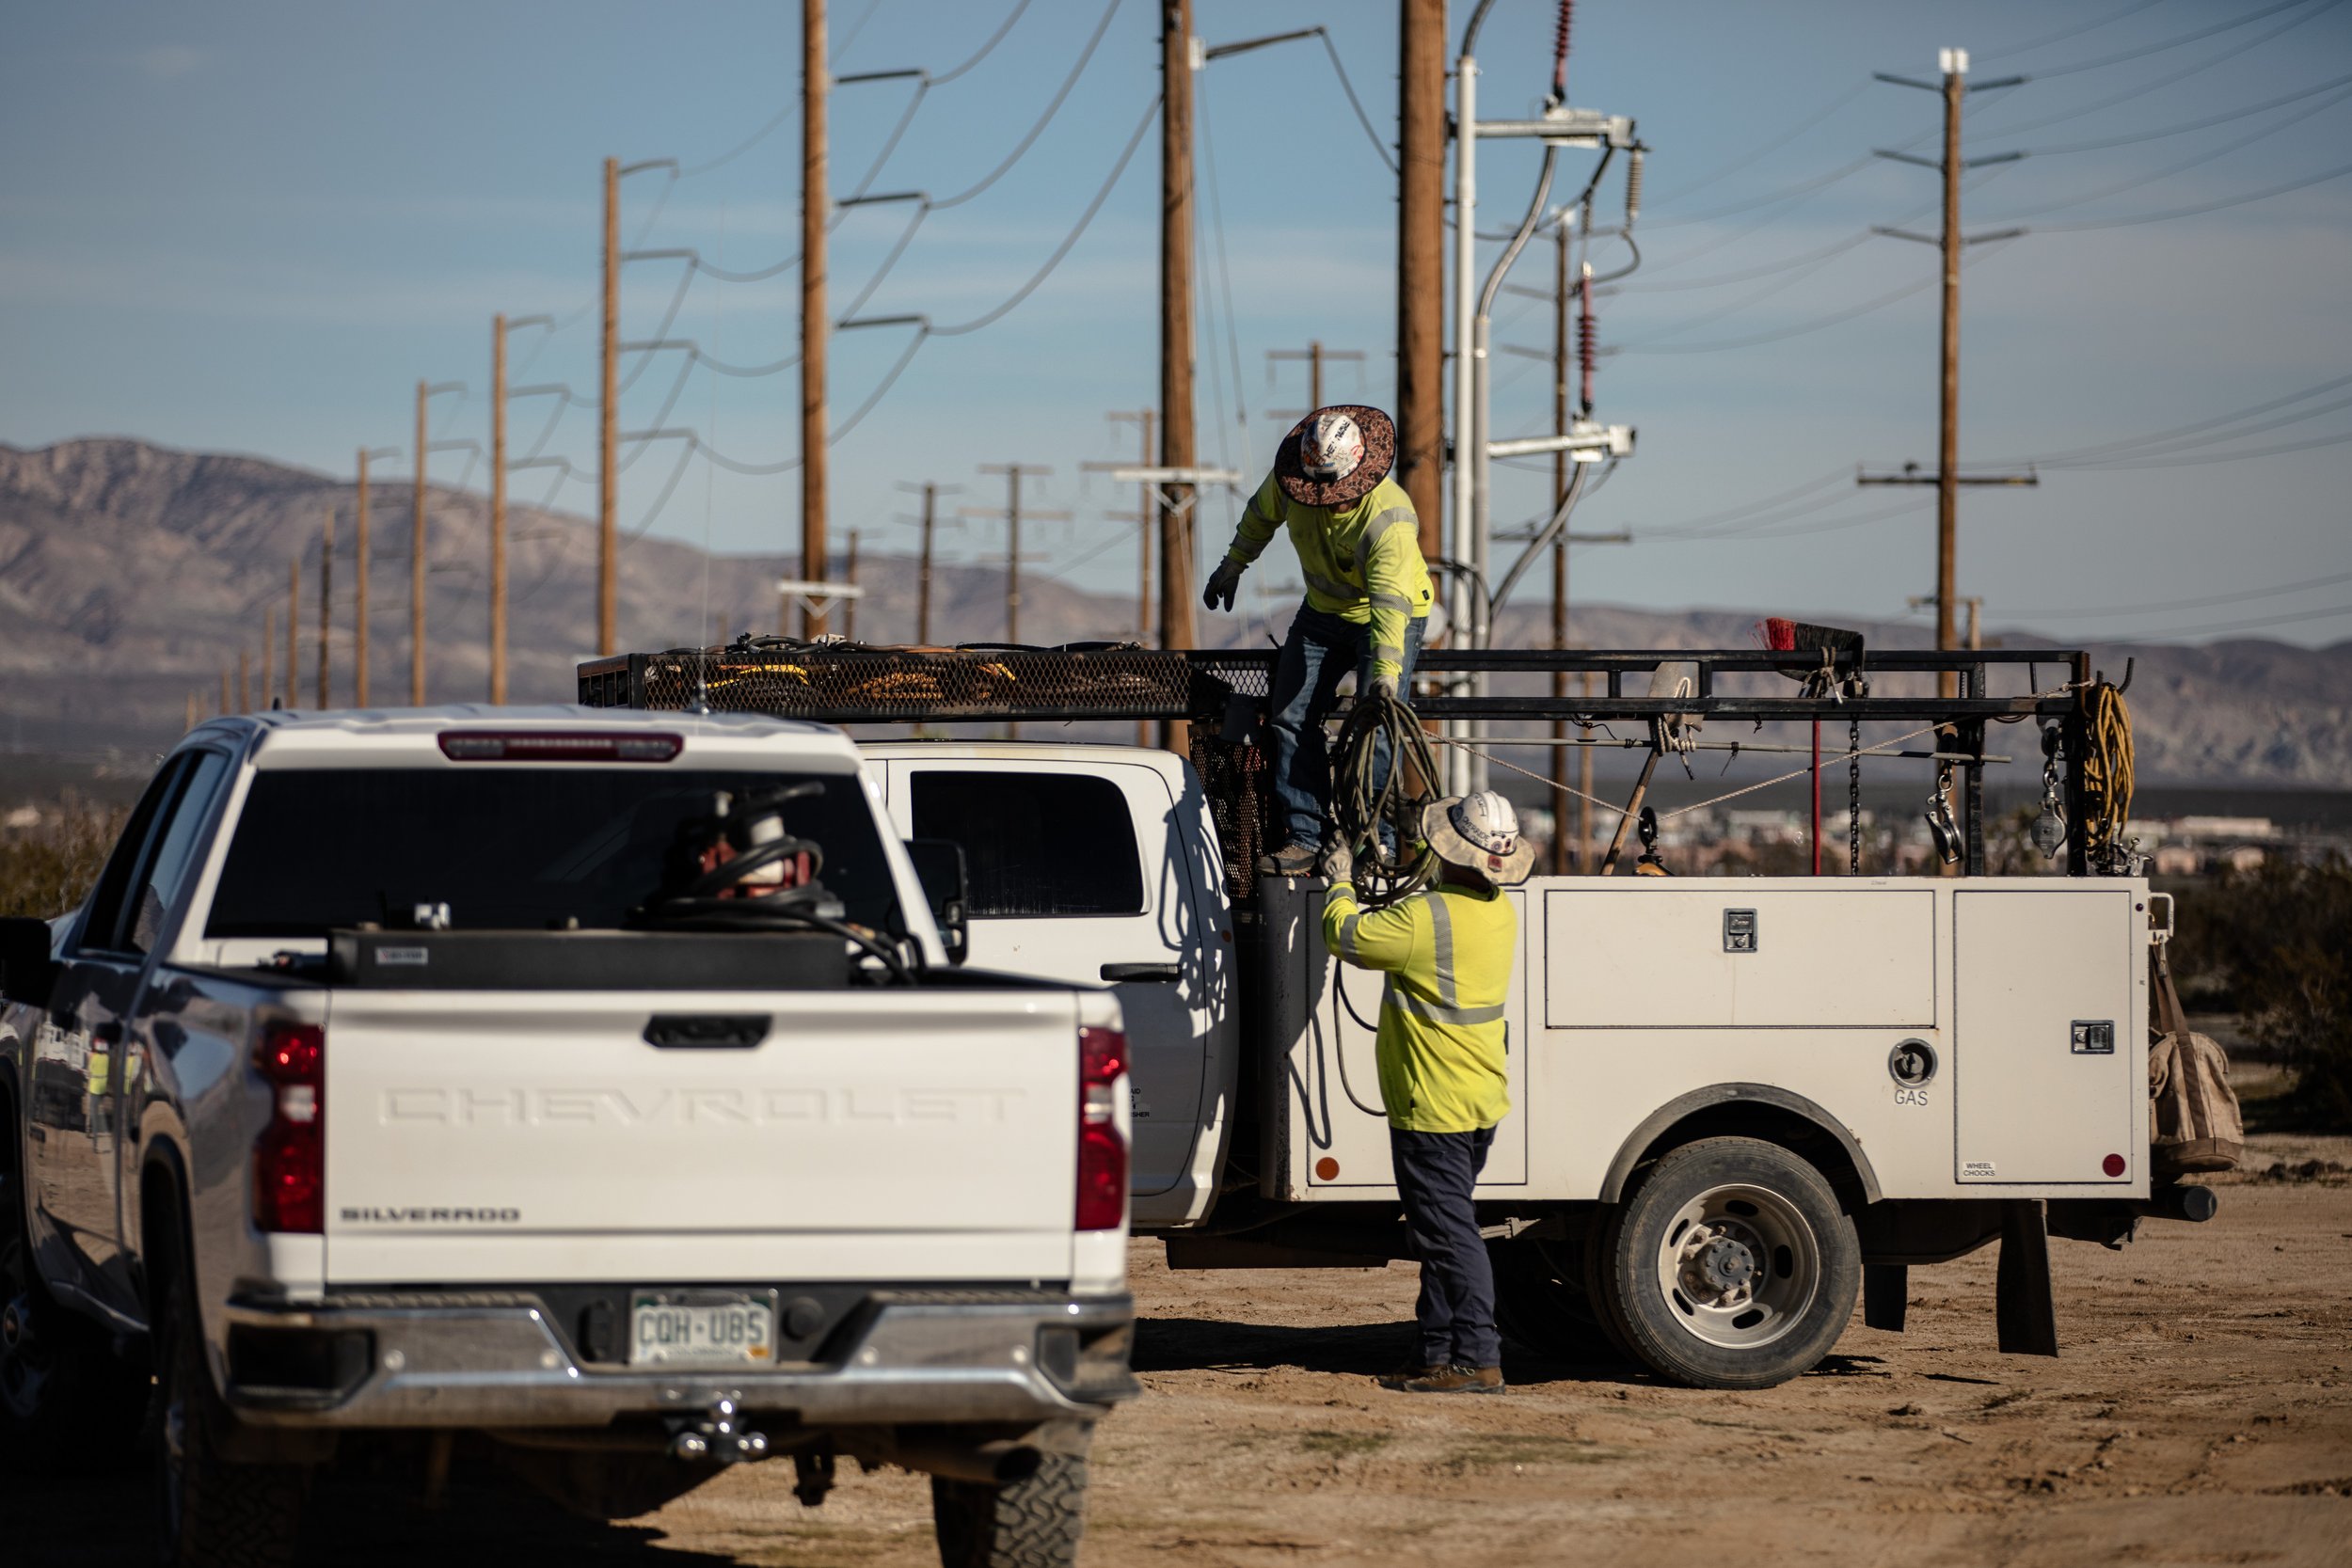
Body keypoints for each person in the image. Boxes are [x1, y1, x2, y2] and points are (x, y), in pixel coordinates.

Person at [1319, 790, 1534, 1395]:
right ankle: (1435, 1352)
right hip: (1477, 1100)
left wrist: (1339, 881)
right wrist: (1411, 852)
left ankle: (1476, 1359)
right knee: (1441, 1231)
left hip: (1432, 1106)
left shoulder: (1422, 919)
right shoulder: (1497, 909)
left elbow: (1346, 937)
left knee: (1448, 1236)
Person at [1202, 405, 1435, 877]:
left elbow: (1390, 606)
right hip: (1322, 614)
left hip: (1384, 617)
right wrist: (1233, 564)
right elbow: (1259, 517)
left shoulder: (1388, 519)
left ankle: (1376, 842)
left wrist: (1384, 676)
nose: (1329, 500)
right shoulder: (1290, 484)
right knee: (1290, 716)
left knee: (1375, 724)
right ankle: (1305, 836)